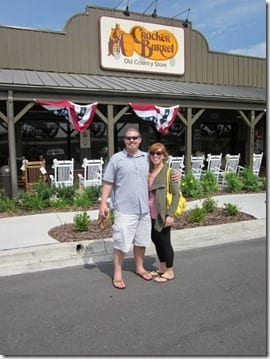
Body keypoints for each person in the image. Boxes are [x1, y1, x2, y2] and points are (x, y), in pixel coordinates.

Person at [99, 128, 179, 289]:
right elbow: (108, 182)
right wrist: (103, 203)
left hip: (144, 210)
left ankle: (140, 267)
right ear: (124, 140)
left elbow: (161, 167)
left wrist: (175, 173)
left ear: (140, 139)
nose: (132, 140)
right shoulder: (116, 159)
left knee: (141, 242)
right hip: (124, 209)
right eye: (128, 138)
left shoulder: (146, 159)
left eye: (135, 137)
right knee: (121, 243)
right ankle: (117, 274)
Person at [148, 142, 180, 283]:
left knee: (165, 242)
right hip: (150, 213)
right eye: (153, 153)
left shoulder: (169, 172)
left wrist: (170, 214)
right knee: (156, 240)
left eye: (159, 153)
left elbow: (176, 194)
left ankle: (170, 270)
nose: (155, 156)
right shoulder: (149, 172)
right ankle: (162, 267)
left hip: (162, 213)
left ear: (164, 156)